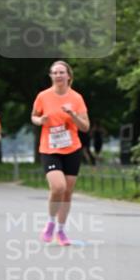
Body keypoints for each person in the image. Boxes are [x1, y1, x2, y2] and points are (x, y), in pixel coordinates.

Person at [31, 60, 89, 245]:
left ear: (68, 76)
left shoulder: (76, 98)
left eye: (61, 72)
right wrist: (40, 121)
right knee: (58, 187)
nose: (58, 75)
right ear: (51, 76)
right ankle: (50, 223)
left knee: (67, 193)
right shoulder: (43, 96)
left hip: (72, 149)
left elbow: (85, 127)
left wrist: (73, 114)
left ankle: (61, 231)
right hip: (49, 148)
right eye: (54, 72)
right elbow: (33, 116)